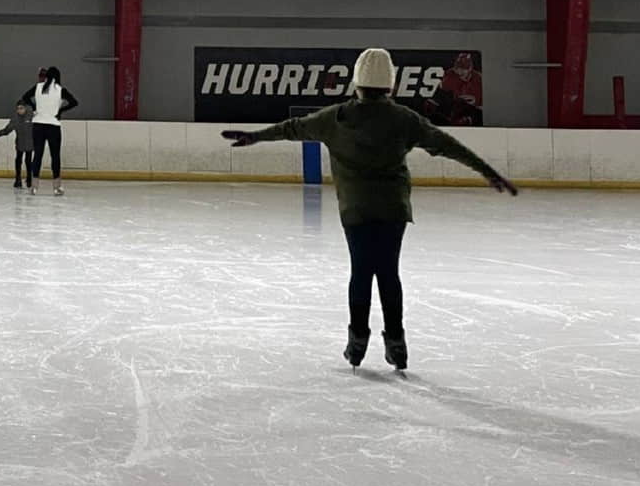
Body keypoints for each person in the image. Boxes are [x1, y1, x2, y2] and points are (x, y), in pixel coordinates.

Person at [222, 47, 519, 373]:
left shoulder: (334, 118)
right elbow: (448, 145)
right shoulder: (405, 119)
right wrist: (488, 171)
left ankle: (357, 342)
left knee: (362, 272)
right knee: (388, 272)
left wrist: (256, 137)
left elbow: (291, 127)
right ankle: (396, 344)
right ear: (390, 85)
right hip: (393, 208)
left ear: (356, 83)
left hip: (356, 209)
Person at [21, 67, 78, 196]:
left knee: (38, 156)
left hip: (38, 125)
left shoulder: (38, 87)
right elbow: (74, 102)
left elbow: (24, 97)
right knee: (55, 156)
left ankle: (34, 187)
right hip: (53, 125)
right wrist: (61, 111)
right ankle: (56, 187)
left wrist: (35, 106)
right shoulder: (60, 90)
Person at [0, 101, 36, 190]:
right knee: (18, 160)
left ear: (25, 108)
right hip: (20, 143)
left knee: (28, 161)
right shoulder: (15, 119)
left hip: (30, 143)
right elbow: (7, 130)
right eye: (18, 108)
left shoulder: (31, 116)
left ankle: (29, 178)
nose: (19, 110)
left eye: (21, 108)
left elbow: (39, 127)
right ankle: (18, 179)